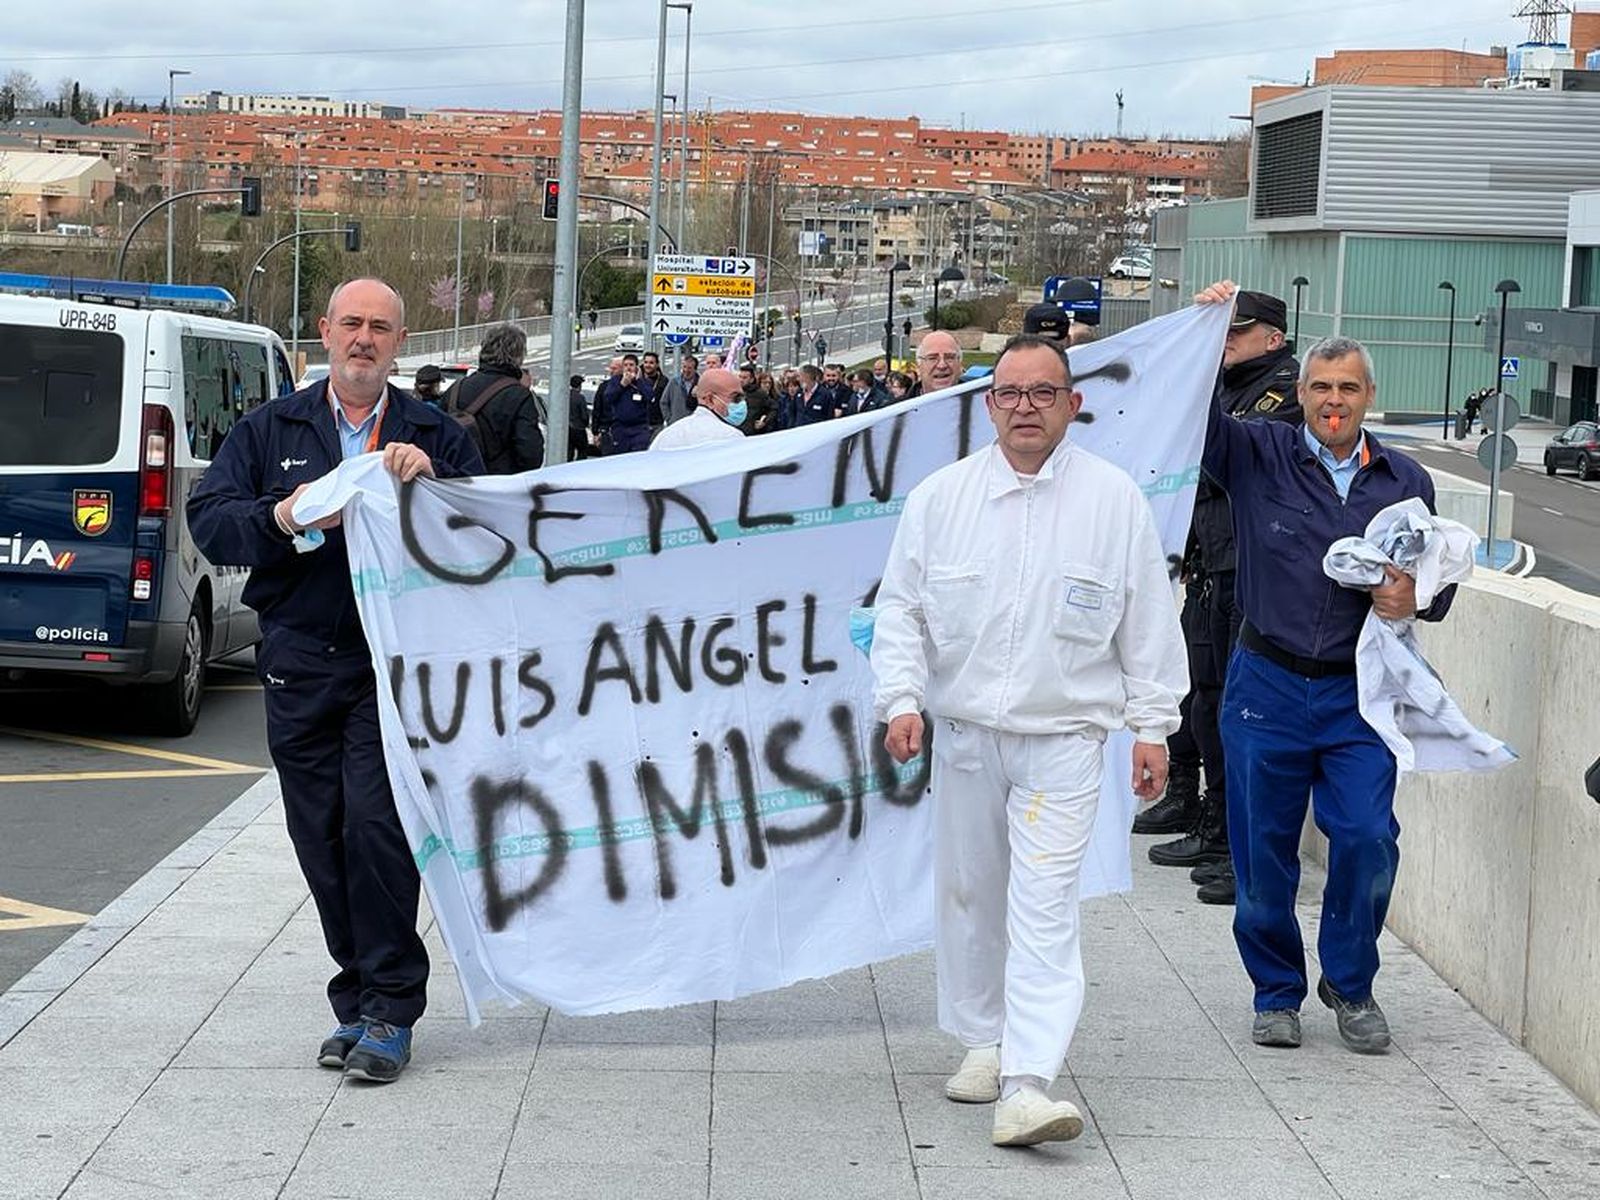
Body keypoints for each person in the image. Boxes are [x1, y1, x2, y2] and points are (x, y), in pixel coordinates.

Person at [873, 333, 1187, 1147]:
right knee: (971, 895)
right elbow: (901, 610)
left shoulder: (1114, 500)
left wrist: (1152, 725)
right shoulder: (940, 500)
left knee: (1043, 906)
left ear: (1072, 405)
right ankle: (984, 1038)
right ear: (987, 404)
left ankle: (1029, 1080)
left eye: (1043, 394)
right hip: (968, 734)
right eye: (1011, 393)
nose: (1025, 408)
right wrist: (901, 700)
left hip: (1065, 739)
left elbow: (1148, 618)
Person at [187, 278, 484, 1083]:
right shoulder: (270, 426)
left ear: (399, 340)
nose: (364, 338)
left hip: (393, 666)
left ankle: (391, 1008)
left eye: (379, 327)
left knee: (378, 833)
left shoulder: (433, 432)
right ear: (323, 333)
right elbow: (209, 519)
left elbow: (484, 539)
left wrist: (437, 489)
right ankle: (353, 999)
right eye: (350, 323)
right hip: (298, 658)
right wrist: (282, 519)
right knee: (318, 837)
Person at [1195, 280, 1455, 1054]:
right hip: (1266, 684)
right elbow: (1190, 421)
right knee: (1262, 852)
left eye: (1347, 388)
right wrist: (1209, 336)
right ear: (1299, 392)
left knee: (1370, 838)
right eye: (1319, 387)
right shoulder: (1254, 450)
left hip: (1361, 692)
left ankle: (1350, 980)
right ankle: (1276, 991)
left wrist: (1415, 598)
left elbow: (1436, 584)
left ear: (1370, 395)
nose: (1332, 401)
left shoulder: (1407, 481)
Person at [1145, 291, 1301, 907]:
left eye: (1239, 331)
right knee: (1203, 696)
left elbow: (1220, 462)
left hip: (1253, 569)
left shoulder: (1283, 391)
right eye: (1223, 332)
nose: (1228, 341)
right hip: (1213, 559)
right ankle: (1212, 822)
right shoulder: (1232, 384)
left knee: (1245, 713)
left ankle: (1245, 851)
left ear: (1275, 337)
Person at [440, 324, 544, 475]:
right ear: (519, 356)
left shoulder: (456, 389)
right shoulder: (518, 396)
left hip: (457, 483)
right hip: (499, 487)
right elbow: (531, 457)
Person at [649, 367, 747, 449]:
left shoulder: (666, 436)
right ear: (710, 399)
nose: (741, 404)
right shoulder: (732, 437)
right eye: (735, 398)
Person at [591, 353, 662, 454]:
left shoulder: (643, 382)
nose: (628, 368)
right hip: (620, 428)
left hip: (639, 428)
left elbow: (651, 397)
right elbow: (608, 398)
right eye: (626, 365)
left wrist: (639, 381)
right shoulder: (616, 381)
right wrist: (622, 385)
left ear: (637, 367)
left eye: (631, 365)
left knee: (638, 456)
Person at [915, 331, 964, 396]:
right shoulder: (900, 405)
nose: (942, 365)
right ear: (918, 367)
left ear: (960, 365)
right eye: (932, 358)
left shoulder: (979, 402)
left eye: (949, 357)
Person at [661, 353, 700, 425]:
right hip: (676, 424)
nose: (686, 370)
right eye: (684, 367)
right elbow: (664, 402)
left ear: (695, 369)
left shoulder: (701, 384)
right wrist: (669, 419)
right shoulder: (674, 382)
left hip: (694, 425)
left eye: (689, 368)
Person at [566, 373, 594, 460]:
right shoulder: (580, 398)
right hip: (578, 428)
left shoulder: (566, 396)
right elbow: (584, 415)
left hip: (568, 428)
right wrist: (586, 424)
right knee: (582, 450)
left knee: (569, 451)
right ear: (579, 385)